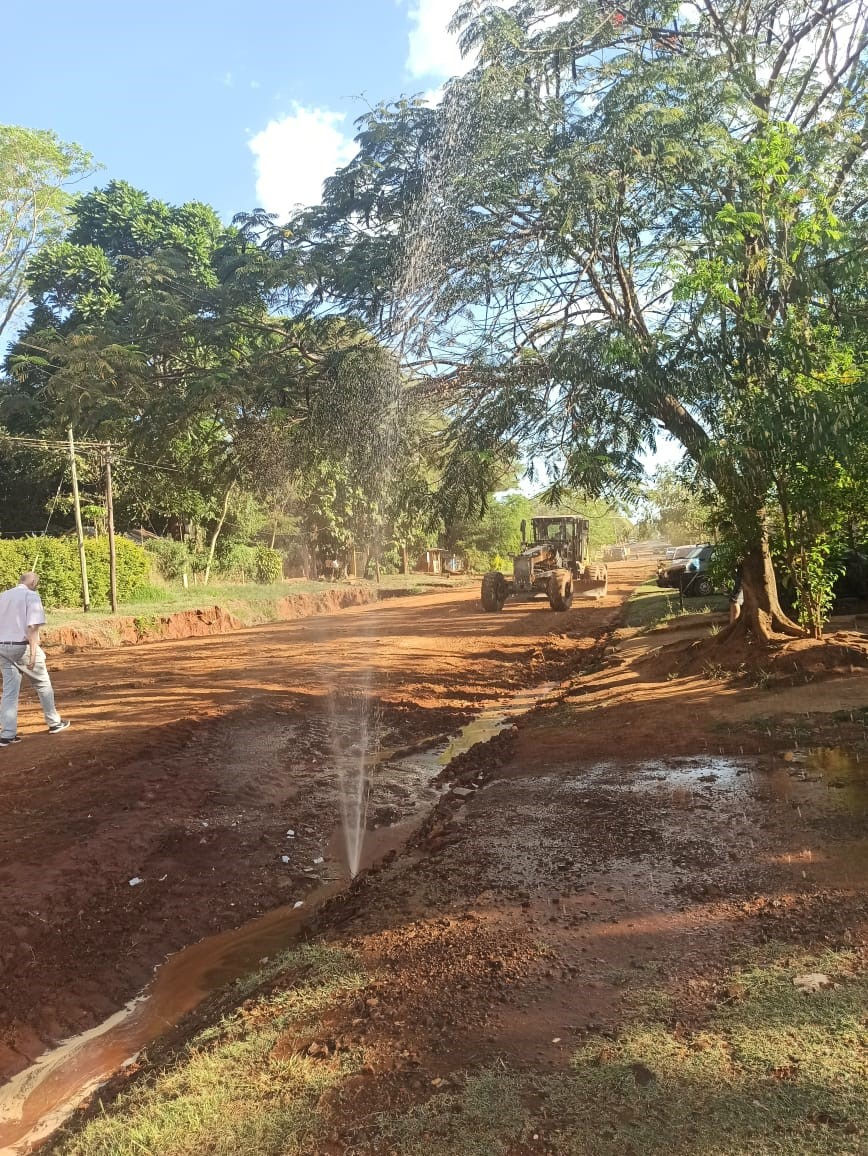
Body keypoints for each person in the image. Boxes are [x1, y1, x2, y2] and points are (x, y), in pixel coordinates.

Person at [0, 571, 70, 748]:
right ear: (33, 582)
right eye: (36, 582)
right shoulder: (32, 596)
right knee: (42, 684)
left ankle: (7, 734)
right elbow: (32, 627)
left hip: (2, 647)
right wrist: (32, 654)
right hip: (22, 646)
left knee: (9, 690)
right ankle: (54, 723)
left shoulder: (4, 596)